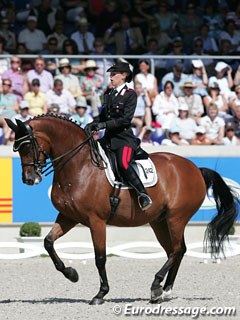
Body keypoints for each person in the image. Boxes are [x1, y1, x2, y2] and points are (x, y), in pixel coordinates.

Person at [85, 62, 152, 211]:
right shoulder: (109, 94)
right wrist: (93, 124)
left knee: (123, 163)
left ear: (124, 75)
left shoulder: (130, 94)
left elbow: (125, 120)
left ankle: (143, 194)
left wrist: (103, 126)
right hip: (107, 139)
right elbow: (103, 116)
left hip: (123, 139)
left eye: (114, 74)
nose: (111, 78)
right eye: (110, 74)